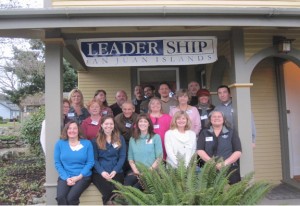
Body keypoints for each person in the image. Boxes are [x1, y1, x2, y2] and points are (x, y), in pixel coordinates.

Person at [54, 120, 94, 205]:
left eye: (74, 128)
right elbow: (58, 163)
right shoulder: (60, 143)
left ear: (78, 130)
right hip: (65, 176)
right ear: (66, 130)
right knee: (61, 197)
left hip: (83, 176)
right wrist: (66, 178)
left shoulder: (87, 143)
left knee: (71, 198)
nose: (72, 131)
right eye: (69, 128)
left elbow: (90, 162)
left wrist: (78, 177)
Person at [197, 110, 242, 184]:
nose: (216, 118)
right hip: (210, 168)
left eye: (219, 116)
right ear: (210, 119)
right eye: (214, 117)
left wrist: (224, 164)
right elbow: (200, 150)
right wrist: (212, 163)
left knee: (234, 192)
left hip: (230, 167)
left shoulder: (231, 132)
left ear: (223, 119)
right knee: (213, 193)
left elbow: (238, 151)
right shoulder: (204, 132)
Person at [91, 116, 126, 204]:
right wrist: (102, 172)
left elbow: (122, 156)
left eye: (111, 124)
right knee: (108, 192)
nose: (109, 126)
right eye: (106, 124)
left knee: (117, 193)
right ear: (102, 125)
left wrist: (115, 170)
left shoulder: (120, 138)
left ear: (114, 125)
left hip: (116, 172)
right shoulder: (95, 141)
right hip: (99, 173)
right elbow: (94, 160)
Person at [125, 113, 163, 189]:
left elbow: (159, 157)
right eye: (140, 121)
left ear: (149, 124)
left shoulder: (156, 137)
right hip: (136, 171)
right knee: (127, 183)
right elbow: (130, 158)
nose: (143, 123)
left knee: (136, 188)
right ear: (137, 124)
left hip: (152, 171)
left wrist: (149, 171)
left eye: (145, 121)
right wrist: (136, 171)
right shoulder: (133, 139)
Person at [114, 101, 138, 173]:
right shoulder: (117, 118)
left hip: (135, 141)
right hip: (121, 141)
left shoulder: (138, 117)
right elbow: (115, 133)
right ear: (122, 109)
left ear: (133, 109)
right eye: (125, 109)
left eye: (129, 109)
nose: (127, 111)